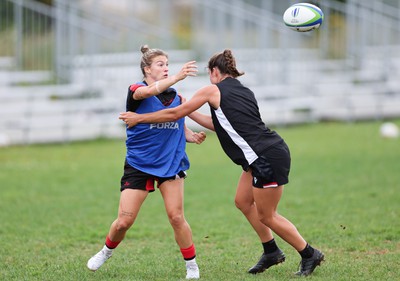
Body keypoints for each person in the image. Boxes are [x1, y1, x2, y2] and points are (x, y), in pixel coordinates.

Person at [119, 49, 325, 277]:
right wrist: (192, 114)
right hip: (264, 153)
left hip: (264, 157)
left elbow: (173, 114)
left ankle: (309, 254)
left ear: (214, 71)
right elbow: (221, 125)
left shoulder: (212, 90)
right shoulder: (244, 91)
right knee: (243, 202)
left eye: (209, 74)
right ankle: (271, 251)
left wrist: (139, 118)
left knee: (268, 215)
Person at [87, 45, 206, 280]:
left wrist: (189, 134)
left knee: (176, 217)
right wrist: (177, 76)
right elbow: (146, 94)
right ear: (146, 69)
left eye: (167, 65)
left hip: (171, 164)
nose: (165, 68)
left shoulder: (177, 98)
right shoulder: (136, 90)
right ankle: (106, 251)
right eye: (160, 65)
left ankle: (191, 266)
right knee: (124, 222)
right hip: (139, 164)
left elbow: (175, 120)